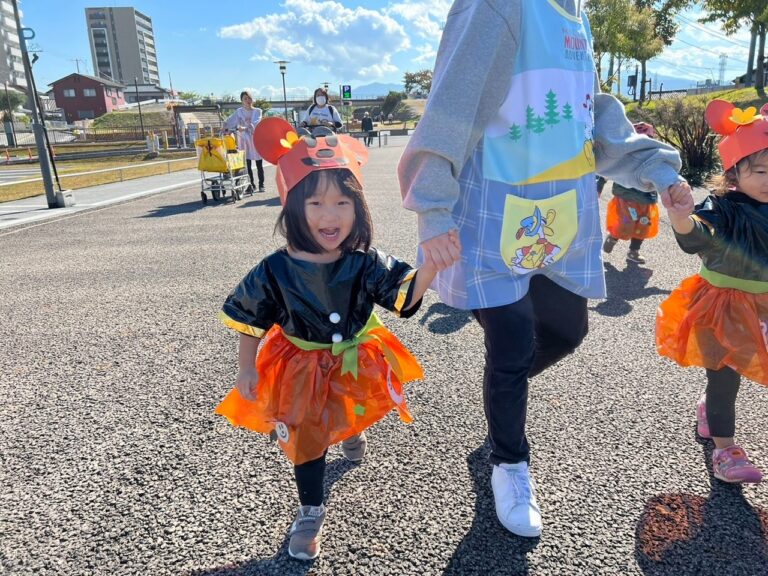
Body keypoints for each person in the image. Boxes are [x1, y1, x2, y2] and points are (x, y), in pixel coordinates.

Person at [398, 0, 690, 538]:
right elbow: (452, 104)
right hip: (493, 214)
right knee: (510, 343)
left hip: (557, 218)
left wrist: (654, 167)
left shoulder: (573, 12)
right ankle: (510, 462)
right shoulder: (498, 6)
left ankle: (500, 395)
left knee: (566, 330)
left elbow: (587, 111)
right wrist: (433, 209)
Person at [215, 117, 449, 560]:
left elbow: (402, 296)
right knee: (307, 435)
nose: (330, 215)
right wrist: (246, 367)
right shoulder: (276, 269)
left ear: (357, 207)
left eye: (343, 202)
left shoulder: (364, 261)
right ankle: (310, 510)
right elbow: (251, 318)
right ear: (292, 206)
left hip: (352, 359)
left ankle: (349, 431)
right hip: (299, 365)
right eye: (317, 202)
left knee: (346, 409)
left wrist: (432, 267)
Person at [657, 99, 768, 485]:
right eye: (762, 171)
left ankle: (709, 413)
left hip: (764, 306)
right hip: (724, 304)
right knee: (724, 377)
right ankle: (725, 449)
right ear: (735, 172)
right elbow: (697, 240)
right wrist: (681, 218)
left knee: (742, 370)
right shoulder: (724, 207)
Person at [601, 122, 661, 264]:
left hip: (646, 199)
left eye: (647, 139)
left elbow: (662, 173)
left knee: (643, 226)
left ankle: (633, 252)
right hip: (626, 197)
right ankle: (614, 236)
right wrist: (599, 184)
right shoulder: (624, 156)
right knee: (625, 224)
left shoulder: (655, 156)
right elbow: (608, 170)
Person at [224, 91, 265, 192]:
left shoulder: (258, 111)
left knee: (259, 163)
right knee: (247, 164)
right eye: (245, 99)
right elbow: (231, 121)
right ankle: (251, 185)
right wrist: (225, 127)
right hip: (243, 140)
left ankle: (261, 184)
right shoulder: (239, 111)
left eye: (249, 98)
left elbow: (255, 122)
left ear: (252, 99)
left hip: (255, 139)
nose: (248, 100)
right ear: (241, 101)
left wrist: (245, 127)